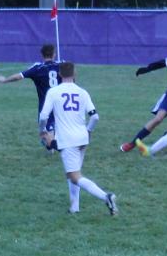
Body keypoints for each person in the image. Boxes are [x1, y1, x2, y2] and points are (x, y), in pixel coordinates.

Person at [37, 62, 117, 216]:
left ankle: (106, 197)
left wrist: (43, 131)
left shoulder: (53, 92)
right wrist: (89, 131)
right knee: (73, 172)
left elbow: (43, 116)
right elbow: (95, 117)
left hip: (67, 140)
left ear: (60, 74)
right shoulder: (83, 92)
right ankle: (75, 207)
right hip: (82, 137)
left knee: (74, 176)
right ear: (75, 74)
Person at [0, 42, 62, 149]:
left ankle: (51, 145)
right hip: (60, 102)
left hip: (46, 104)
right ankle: (53, 143)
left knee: (46, 131)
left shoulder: (37, 68)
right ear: (54, 54)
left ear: (42, 55)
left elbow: (19, 76)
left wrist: (4, 80)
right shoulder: (60, 65)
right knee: (55, 127)